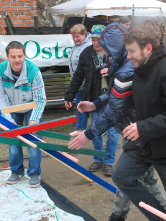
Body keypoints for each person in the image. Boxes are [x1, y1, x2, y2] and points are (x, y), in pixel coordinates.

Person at [67, 23, 166, 221]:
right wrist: (95, 104)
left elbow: (114, 111)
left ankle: (162, 216)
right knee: (131, 177)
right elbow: (117, 94)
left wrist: (87, 134)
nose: (102, 49)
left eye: (104, 46)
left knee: (133, 177)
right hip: (134, 130)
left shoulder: (126, 69)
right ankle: (119, 215)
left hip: (139, 132)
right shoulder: (120, 64)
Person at [112, 26, 166, 221]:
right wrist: (96, 104)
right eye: (127, 51)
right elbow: (126, 96)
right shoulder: (141, 67)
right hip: (147, 142)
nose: (128, 56)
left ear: (148, 48)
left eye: (132, 51)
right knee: (122, 176)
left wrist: (143, 127)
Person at [64, 25, 119, 176]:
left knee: (113, 134)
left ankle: (108, 161)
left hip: (112, 100)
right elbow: (78, 77)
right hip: (94, 99)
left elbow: (123, 74)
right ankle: (98, 158)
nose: (96, 43)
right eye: (94, 40)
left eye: (99, 40)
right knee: (96, 131)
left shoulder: (113, 54)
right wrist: (69, 95)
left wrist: (111, 70)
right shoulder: (86, 53)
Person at [0, 41, 46, 187]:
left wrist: (34, 119)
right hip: (11, 108)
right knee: (13, 141)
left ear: (24, 55)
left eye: (20, 56)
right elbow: (0, 97)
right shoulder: (0, 70)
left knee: (34, 141)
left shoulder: (33, 71)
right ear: (7, 57)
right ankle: (16, 171)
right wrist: (8, 119)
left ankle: (34, 173)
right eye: (13, 56)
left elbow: (40, 99)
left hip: (32, 107)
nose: (17, 60)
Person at [68, 24, 92, 133]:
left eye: (77, 36)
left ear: (84, 35)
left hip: (86, 84)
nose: (75, 39)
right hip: (77, 82)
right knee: (79, 105)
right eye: (73, 37)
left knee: (83, 106)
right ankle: (80, 129)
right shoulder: (75, 46)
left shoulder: (89, 47)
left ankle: (81, 129)